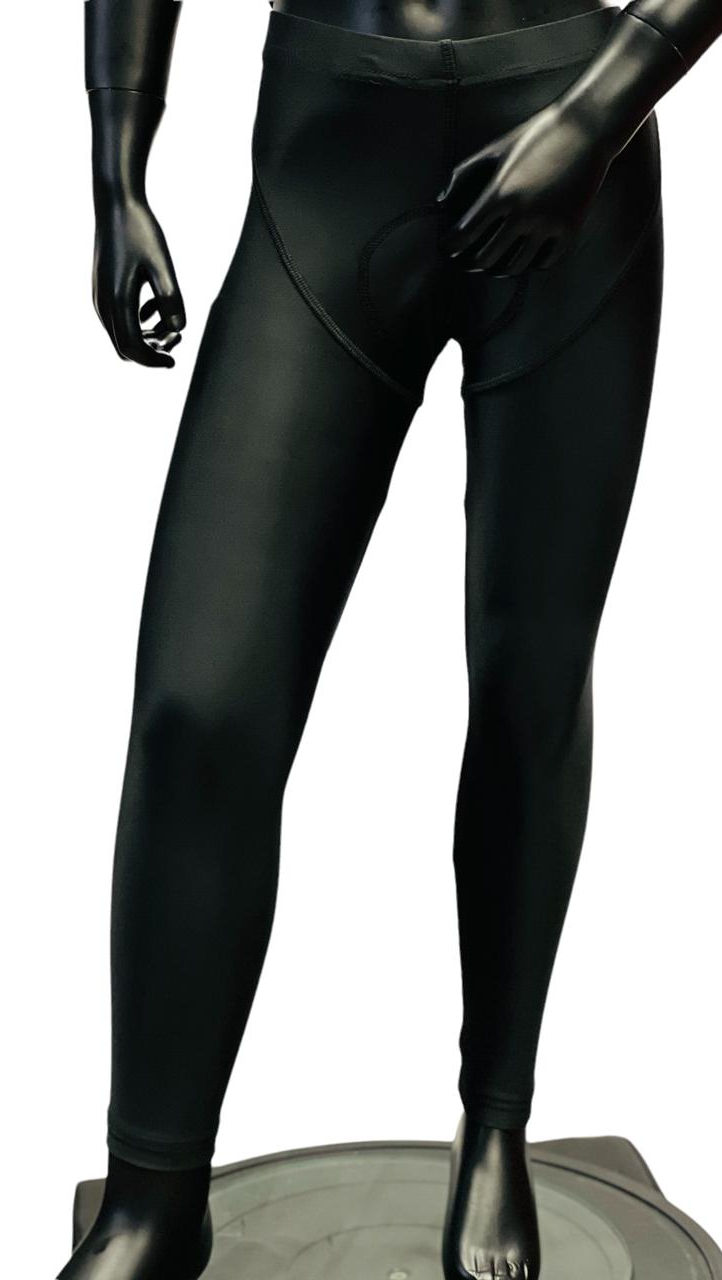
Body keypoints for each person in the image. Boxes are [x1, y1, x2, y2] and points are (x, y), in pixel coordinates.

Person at [58, 1, 722, 1277]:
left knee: (528, 678)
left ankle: (494, 1122)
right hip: (330, 153)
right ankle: (151, 1191)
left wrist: (600, 107)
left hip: (565, 129)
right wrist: (116, 166)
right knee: (200, 703)